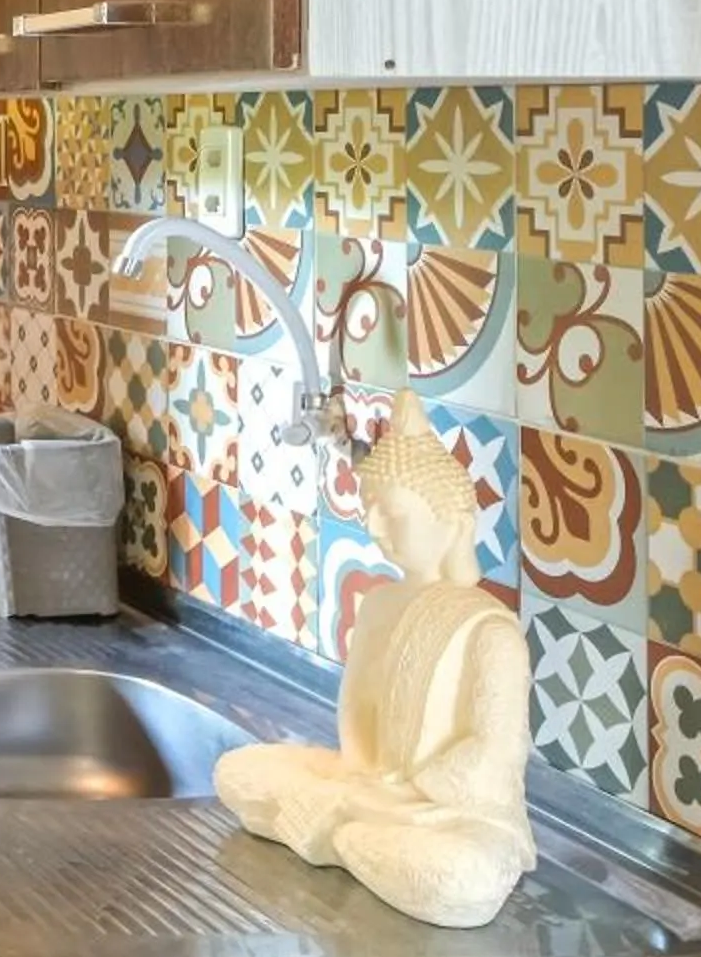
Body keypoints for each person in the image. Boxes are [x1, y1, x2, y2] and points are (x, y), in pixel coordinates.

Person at [215, 394, 536, 929]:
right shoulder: (382, 603)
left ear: (452, 521)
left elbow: (494, 753)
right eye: (370, 509)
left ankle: (341, 833)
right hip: (364, 788)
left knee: (464, 878)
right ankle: (345, 833)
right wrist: (357, 783)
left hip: (442, 815)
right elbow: (357, 723)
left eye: (392, 511)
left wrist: (384, 797)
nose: (376, 526)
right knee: (238, 772)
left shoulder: (490, 629)